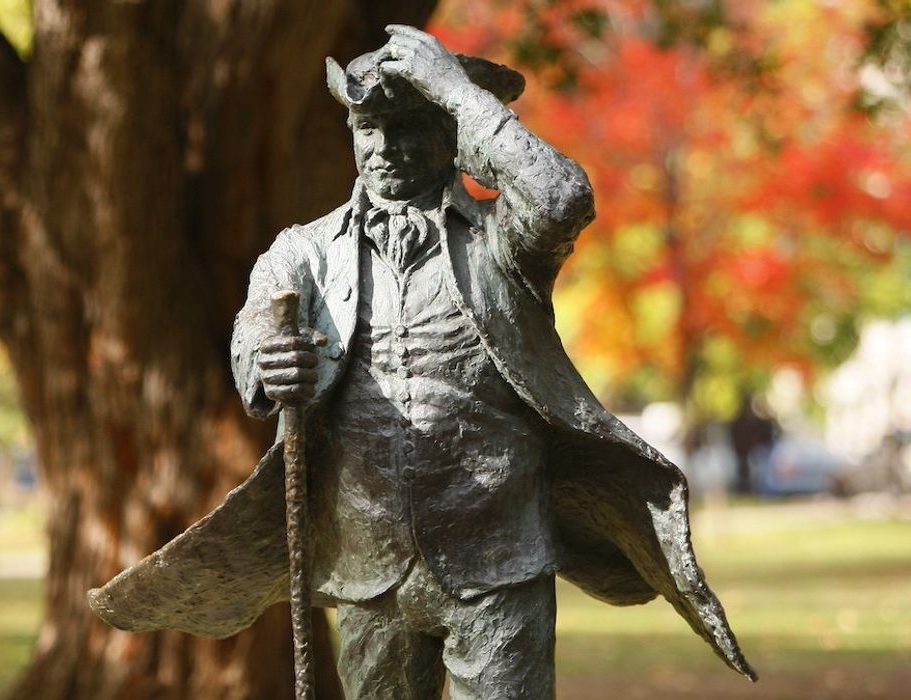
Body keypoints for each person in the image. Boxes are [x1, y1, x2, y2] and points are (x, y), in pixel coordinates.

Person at [89, 26, 754, 698]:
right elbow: (254, 333)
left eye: (408, 125)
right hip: (366, 559)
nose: (383, 148)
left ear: (450, 132)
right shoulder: (305, 251)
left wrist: (458, 95)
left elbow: (561, 199)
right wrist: (268, 361)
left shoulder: (504, 239)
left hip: (497, 550)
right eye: (367, 127)